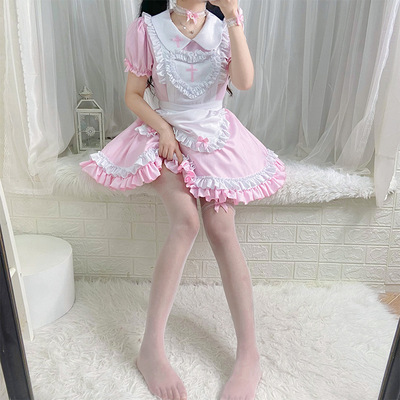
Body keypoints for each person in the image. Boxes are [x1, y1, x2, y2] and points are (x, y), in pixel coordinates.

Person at [80, 0, 286, 399]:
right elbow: (133, 95)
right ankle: (150, 348)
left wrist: (234, 16)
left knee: (221, 226)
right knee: (186, 222)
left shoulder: (224, 27)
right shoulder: (149, 28)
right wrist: (162, 128)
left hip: (216, 137)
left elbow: (244, 82)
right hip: (166, 136)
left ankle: (249, 353)